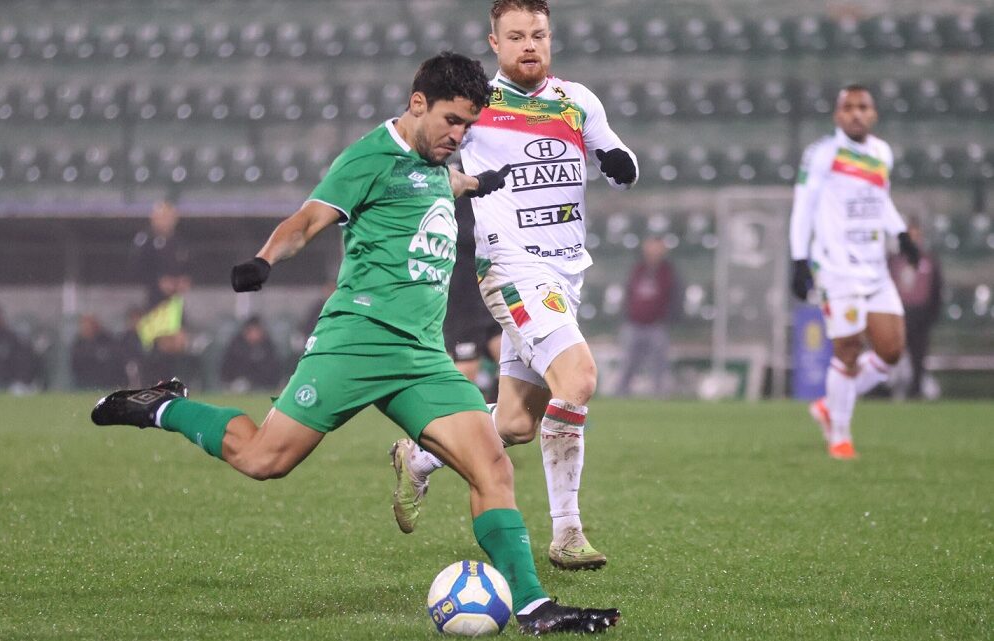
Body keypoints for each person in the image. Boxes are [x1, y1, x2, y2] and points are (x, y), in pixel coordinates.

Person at [89, 52, 618, 634]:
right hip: (356, 341)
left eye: (468, 124)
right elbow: (307, 220)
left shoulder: (439, 160)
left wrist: (474, 183)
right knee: (266, 460)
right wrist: (264, 260)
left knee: (492, 467)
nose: (459, 135)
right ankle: (164, 406)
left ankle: (535, 609)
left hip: (421, 356)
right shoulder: (370, 157)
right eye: (450, 121)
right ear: (417, 104)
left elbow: (441, 180)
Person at [389, 0, 638, 572]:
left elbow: (615, 155)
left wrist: (623, 165)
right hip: (510, 267)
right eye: (517, 36)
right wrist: (454, 183)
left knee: (519, 423)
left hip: (566, 272)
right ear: (494, 43)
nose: (530, 45)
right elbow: (421, 156)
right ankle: (567, 532)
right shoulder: (476, 106)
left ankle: (418, 459)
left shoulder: (578, 101)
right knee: (578, 377)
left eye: (539, 35)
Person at [789, 84, 920, 460]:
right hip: (835, 268)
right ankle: (840, 438)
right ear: (837, 115)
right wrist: (800, 260)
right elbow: (804, 207)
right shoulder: (822, 154)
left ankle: (831, 404)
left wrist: (900, 235)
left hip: (875, 268)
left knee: (891, 351)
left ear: (873, 114)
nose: (856, 114)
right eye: (849, 108)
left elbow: (880, 201)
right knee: (847, 351)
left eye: (863, 107)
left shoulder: (881, 152)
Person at [444, 195, 503, 401]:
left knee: (512, 359)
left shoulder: (495, 176)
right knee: (466, 369)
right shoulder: (454, 180)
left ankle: (496, 424)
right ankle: (447, 427)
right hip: (462, 296)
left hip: (491, 287)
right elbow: (466, 236)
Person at [613, 235, 679, 398]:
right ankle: (621, 395)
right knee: (628, 362)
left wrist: (667, 318)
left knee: (659, 365)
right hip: (634, 324)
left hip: (657, 325)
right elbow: (628, 294)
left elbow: (675, 296)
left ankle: (660, 396)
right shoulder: (637, 269)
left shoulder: (668, 271)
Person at [888, 220, 942, 399]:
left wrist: (930, 315)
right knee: (890, 354)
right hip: (898, 316)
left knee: (918, 356)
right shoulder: (894, 261)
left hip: (920, 316)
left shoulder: (929, 260)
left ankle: (916, 391)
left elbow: (936, 290)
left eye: (917, 236)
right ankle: (886, 390)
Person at [220, 315, 283, 392]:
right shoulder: (236, 346)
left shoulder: (268, 346)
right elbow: (228, 368)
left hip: (264, 386)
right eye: (252, 330)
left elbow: (274, 369)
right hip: (238, 386)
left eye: (257, 330)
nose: (255, 334)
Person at [71, 313, 122, 389]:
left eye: (89, 325)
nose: (86, 328)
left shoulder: (106, 340)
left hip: (105, 383)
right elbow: (75, 363)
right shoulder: (78, 343)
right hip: (83, 382)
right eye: (84, 325)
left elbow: (113, 360)